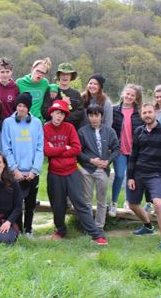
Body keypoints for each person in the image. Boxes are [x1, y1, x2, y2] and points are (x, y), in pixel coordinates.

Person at [44, 100, 108, 245]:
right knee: (58, 205)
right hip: (54, 173)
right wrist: (65, 148)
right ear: (52, 113)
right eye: (56, 112)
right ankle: (60, 230)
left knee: (80, 203)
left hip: (72, 172)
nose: (59, 116)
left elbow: (77, 149)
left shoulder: (69, 128)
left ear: (65, 115)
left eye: (62, 113)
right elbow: (46, 151)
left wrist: (57, 150)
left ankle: (96, 234)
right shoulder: (46, 128)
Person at [127, 103, 161, 250]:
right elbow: (133, 155)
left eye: (149, 112)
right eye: (144, 113)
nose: (147, 115)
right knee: (132, 204)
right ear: (141, 115)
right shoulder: (138, 131)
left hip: (156, 174)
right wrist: (130, 176)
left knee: (158, 204)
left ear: (155, 112)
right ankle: (148, 226)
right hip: (138, 173)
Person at [1, 92, 44, 237]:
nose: (21, 109)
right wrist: (14, 169)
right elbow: (6, 148)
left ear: (29, 108)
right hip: (16, 173)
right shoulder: (8, 122)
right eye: (19, 105)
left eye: (24, 106)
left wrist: (35, 170)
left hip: (32, 172)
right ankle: (17, 230)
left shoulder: (37, 123)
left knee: (30, 204)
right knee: (17, 204)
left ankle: (29, 230)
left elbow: (39, 148)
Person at [77, 104, 120, 229]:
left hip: (103, 169)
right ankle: (89, 226)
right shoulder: (82, 132)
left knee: (101, 200)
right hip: (86, 169)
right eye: (91, 115)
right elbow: (78, 151)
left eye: (96, 115)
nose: (93, 118)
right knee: (87, 200)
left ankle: (99, 226)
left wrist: (108, 161)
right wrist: (90, 160)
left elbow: (117, 149)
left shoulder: (109, 131)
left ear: (101, 116)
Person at [109, 84, 143, 216]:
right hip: (119, 150)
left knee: (132, 177)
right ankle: (113, 202)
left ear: (136, 98)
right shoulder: (114, 110)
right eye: (127, 94)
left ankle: (128, 202)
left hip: (135, 152)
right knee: (119, 175)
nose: (129, 97)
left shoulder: (139, 112)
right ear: (122, 93)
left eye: (132, 95)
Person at [41, 62, 84, 130]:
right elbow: (44, 111)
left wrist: (63, 117)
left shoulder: (76, 94)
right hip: (51, 131)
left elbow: (80, 114)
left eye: (68, 74)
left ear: (71, 76)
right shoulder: (51, 92)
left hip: (70, 132)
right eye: (63, 74)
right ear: (58, 76)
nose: (65, 76)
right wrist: (61, 105)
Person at [16, 57, 58, 123]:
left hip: (37, 119)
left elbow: (52, 86)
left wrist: (54, 88)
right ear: (32, 69)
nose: (40, 74)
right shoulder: (20, 82)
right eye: (38, 71)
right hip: (22, 118)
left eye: (43, 73)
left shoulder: (44, 83)